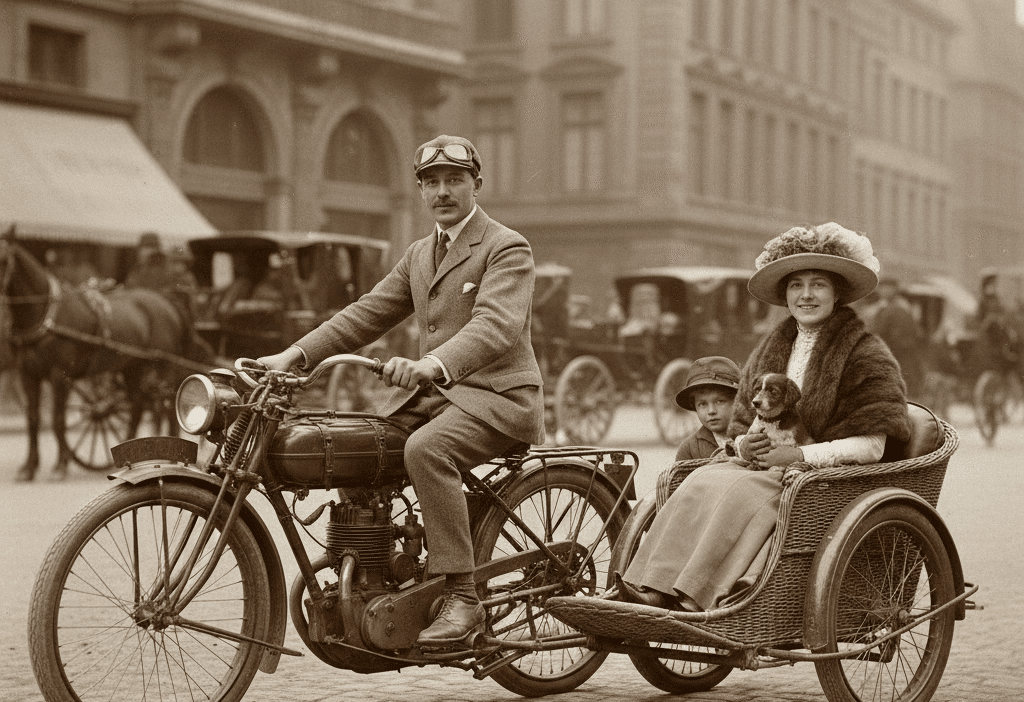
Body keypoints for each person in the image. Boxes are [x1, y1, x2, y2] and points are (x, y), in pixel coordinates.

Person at [258, 135, 544, 647]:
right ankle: (374, 570)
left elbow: (496, 326)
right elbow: (364, 314)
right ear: (420, 191)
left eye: (454, 180)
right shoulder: (419, 254)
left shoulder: (506, 247)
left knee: (427, 449)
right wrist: (295, 356)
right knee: (352, 445)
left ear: (476, 184)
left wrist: (431, 364)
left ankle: (462, 595)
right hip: (439, 398)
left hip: (498, 399)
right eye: (431, 183)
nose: (442, 192)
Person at [615, 222, 911, 613]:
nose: (806, 295)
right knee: (702, 479)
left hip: (824, 480)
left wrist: (802, 457)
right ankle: (650, 586)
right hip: (765, 468)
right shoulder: (770, 349)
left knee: (740, 492)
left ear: (837, 292)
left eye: (818, 284)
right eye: (795, 285)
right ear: (785, 295)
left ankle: (696, 594)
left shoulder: (866, 354)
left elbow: (873, 445)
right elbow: (741, 421)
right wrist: (742, 443)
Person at [672, 356, 741, 462]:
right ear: (694, 406)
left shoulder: (750, 436)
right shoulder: (690, 448)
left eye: (720, 401)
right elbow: (680, 478)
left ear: (737, 401)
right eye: (703, 404)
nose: (711, 411)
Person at [870, 277, 925, 400]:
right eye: (881, 288)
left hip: (899, 357)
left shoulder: (897, 309)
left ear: (895, 289)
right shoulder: (886, 308)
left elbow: (883, 334)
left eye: (887, 288)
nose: (883, 291)